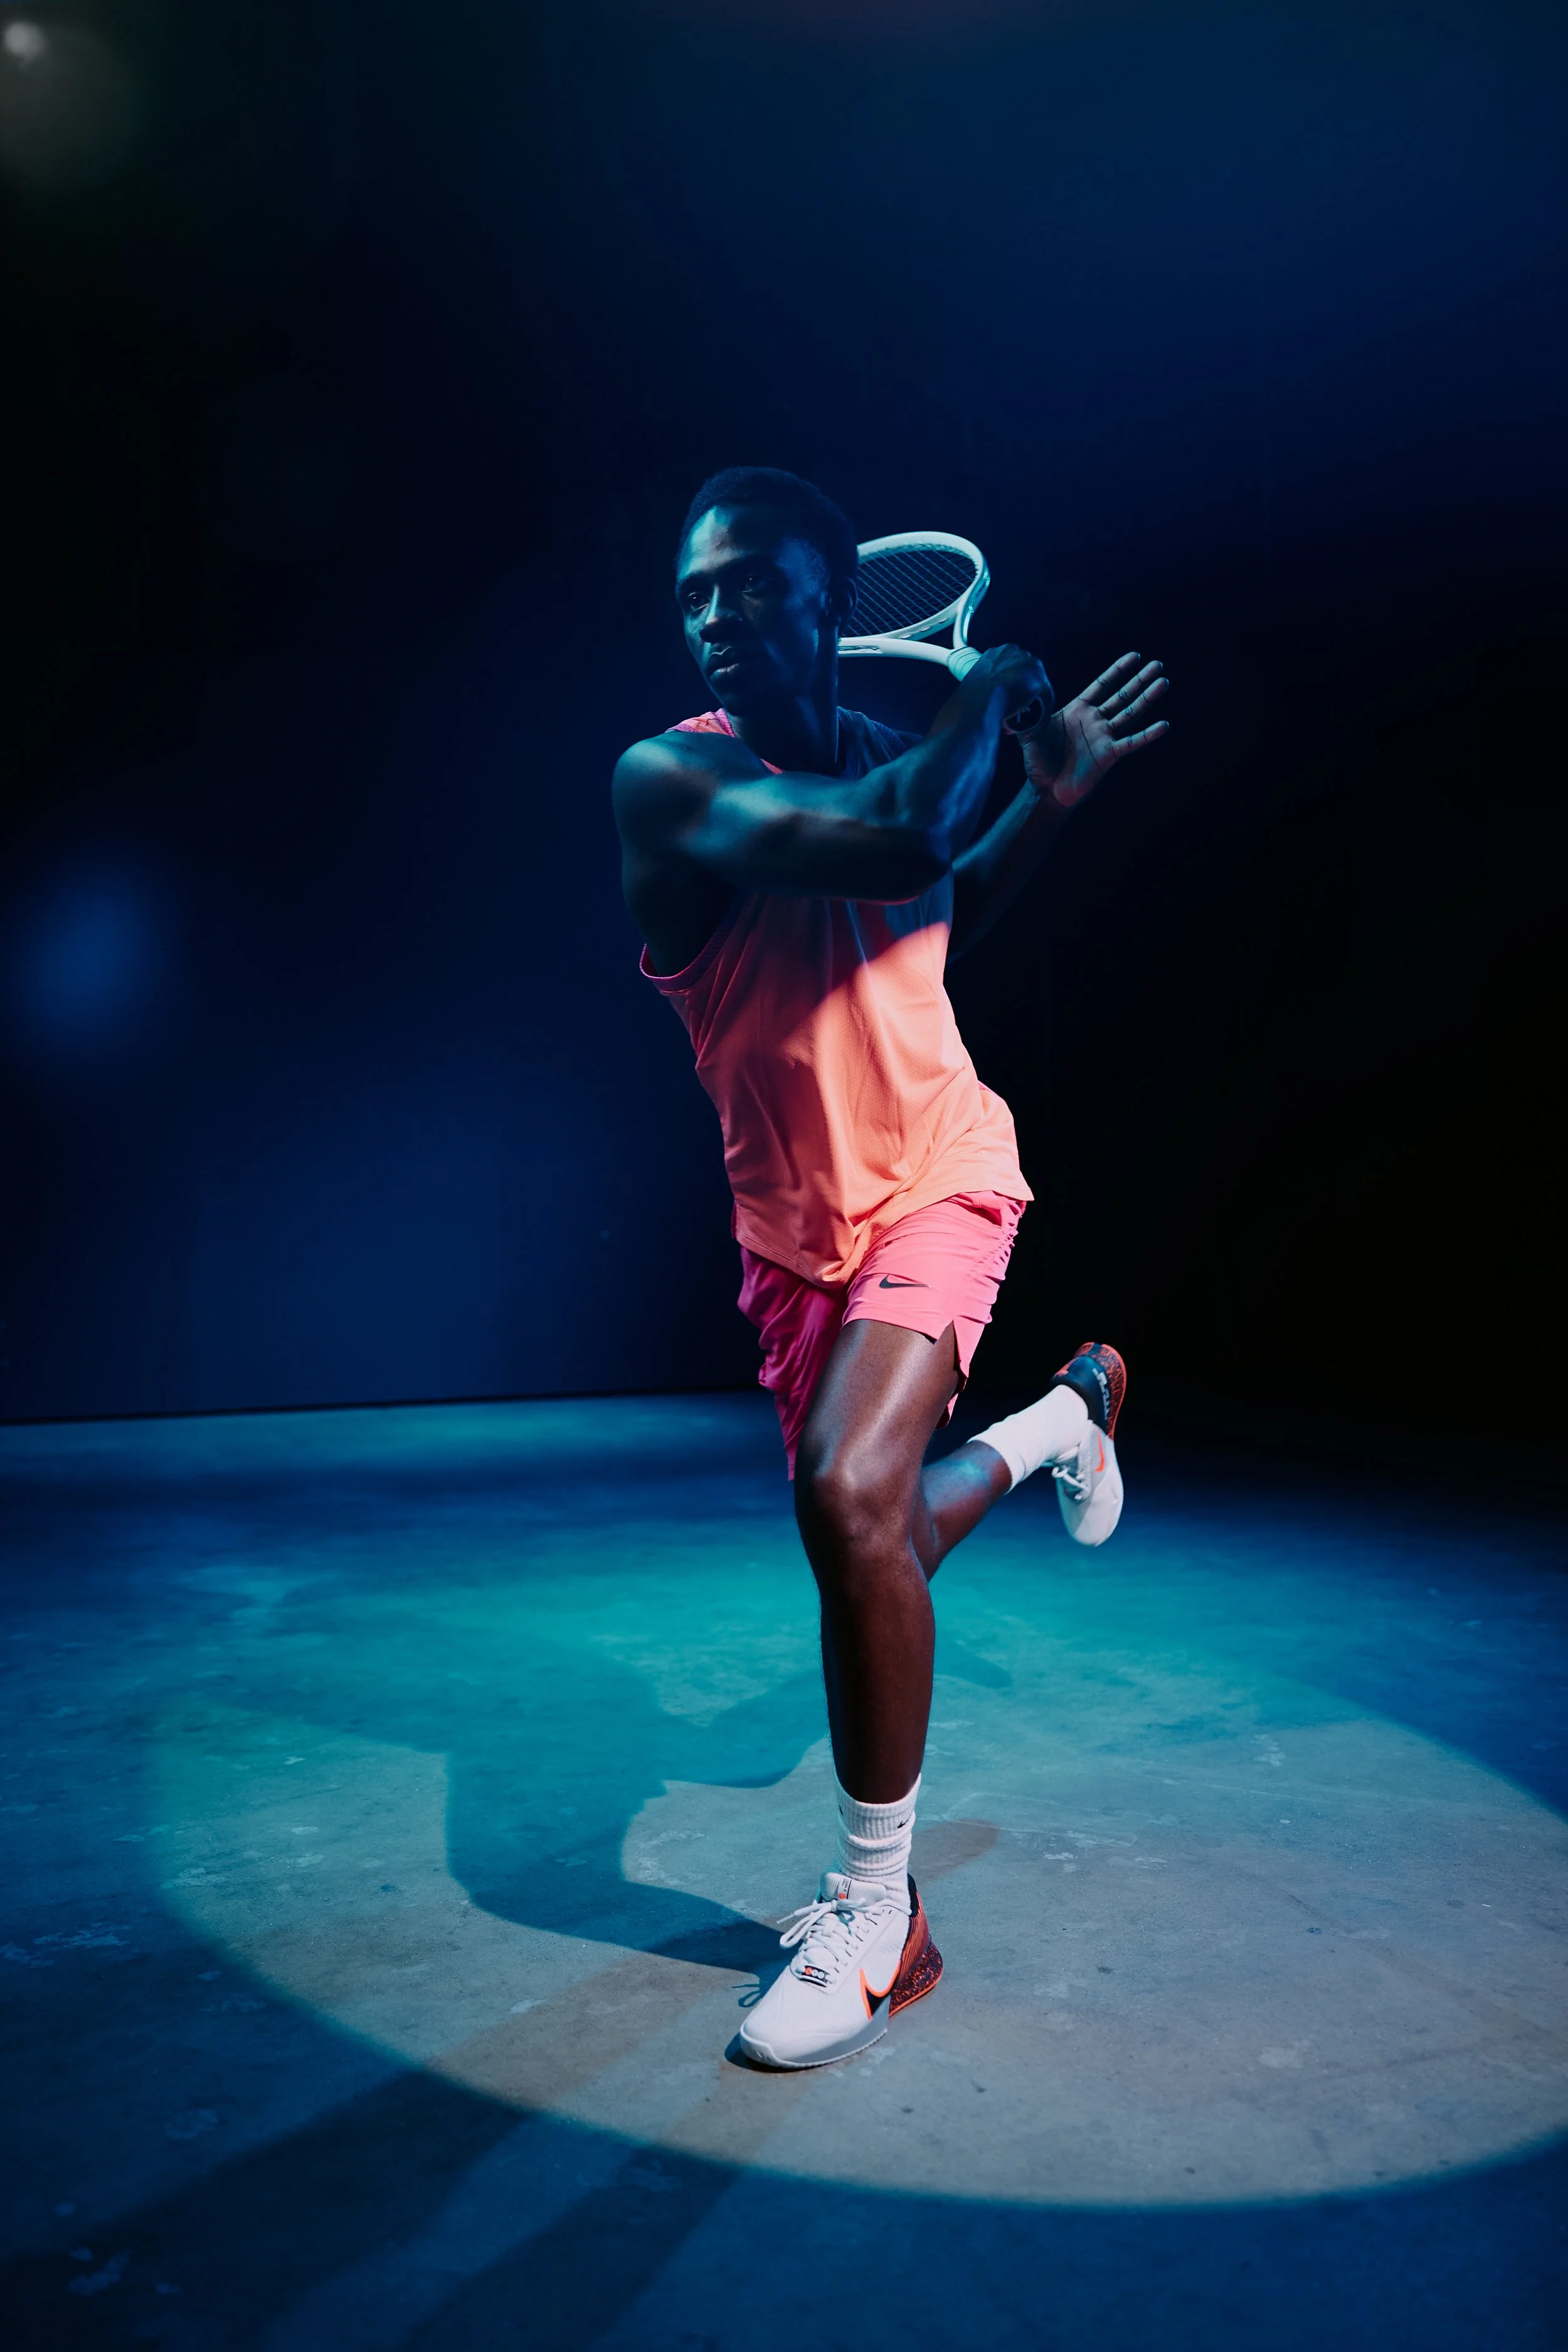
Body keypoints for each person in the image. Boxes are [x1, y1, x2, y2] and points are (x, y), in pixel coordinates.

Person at [613, 467, 1168, 2069]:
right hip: (791, 1225)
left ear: (831, 602)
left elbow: (937, 903)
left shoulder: (889, 759)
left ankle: (878, 1919)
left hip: (939, 1171)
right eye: (698, 591)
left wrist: (1042, 802)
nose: (720, 616)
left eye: (756, 586)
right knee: (883, 1534)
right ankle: (1062, 1421)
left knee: (848, 1502)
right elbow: (897, 840)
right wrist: (998, 703)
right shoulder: (665, 783)